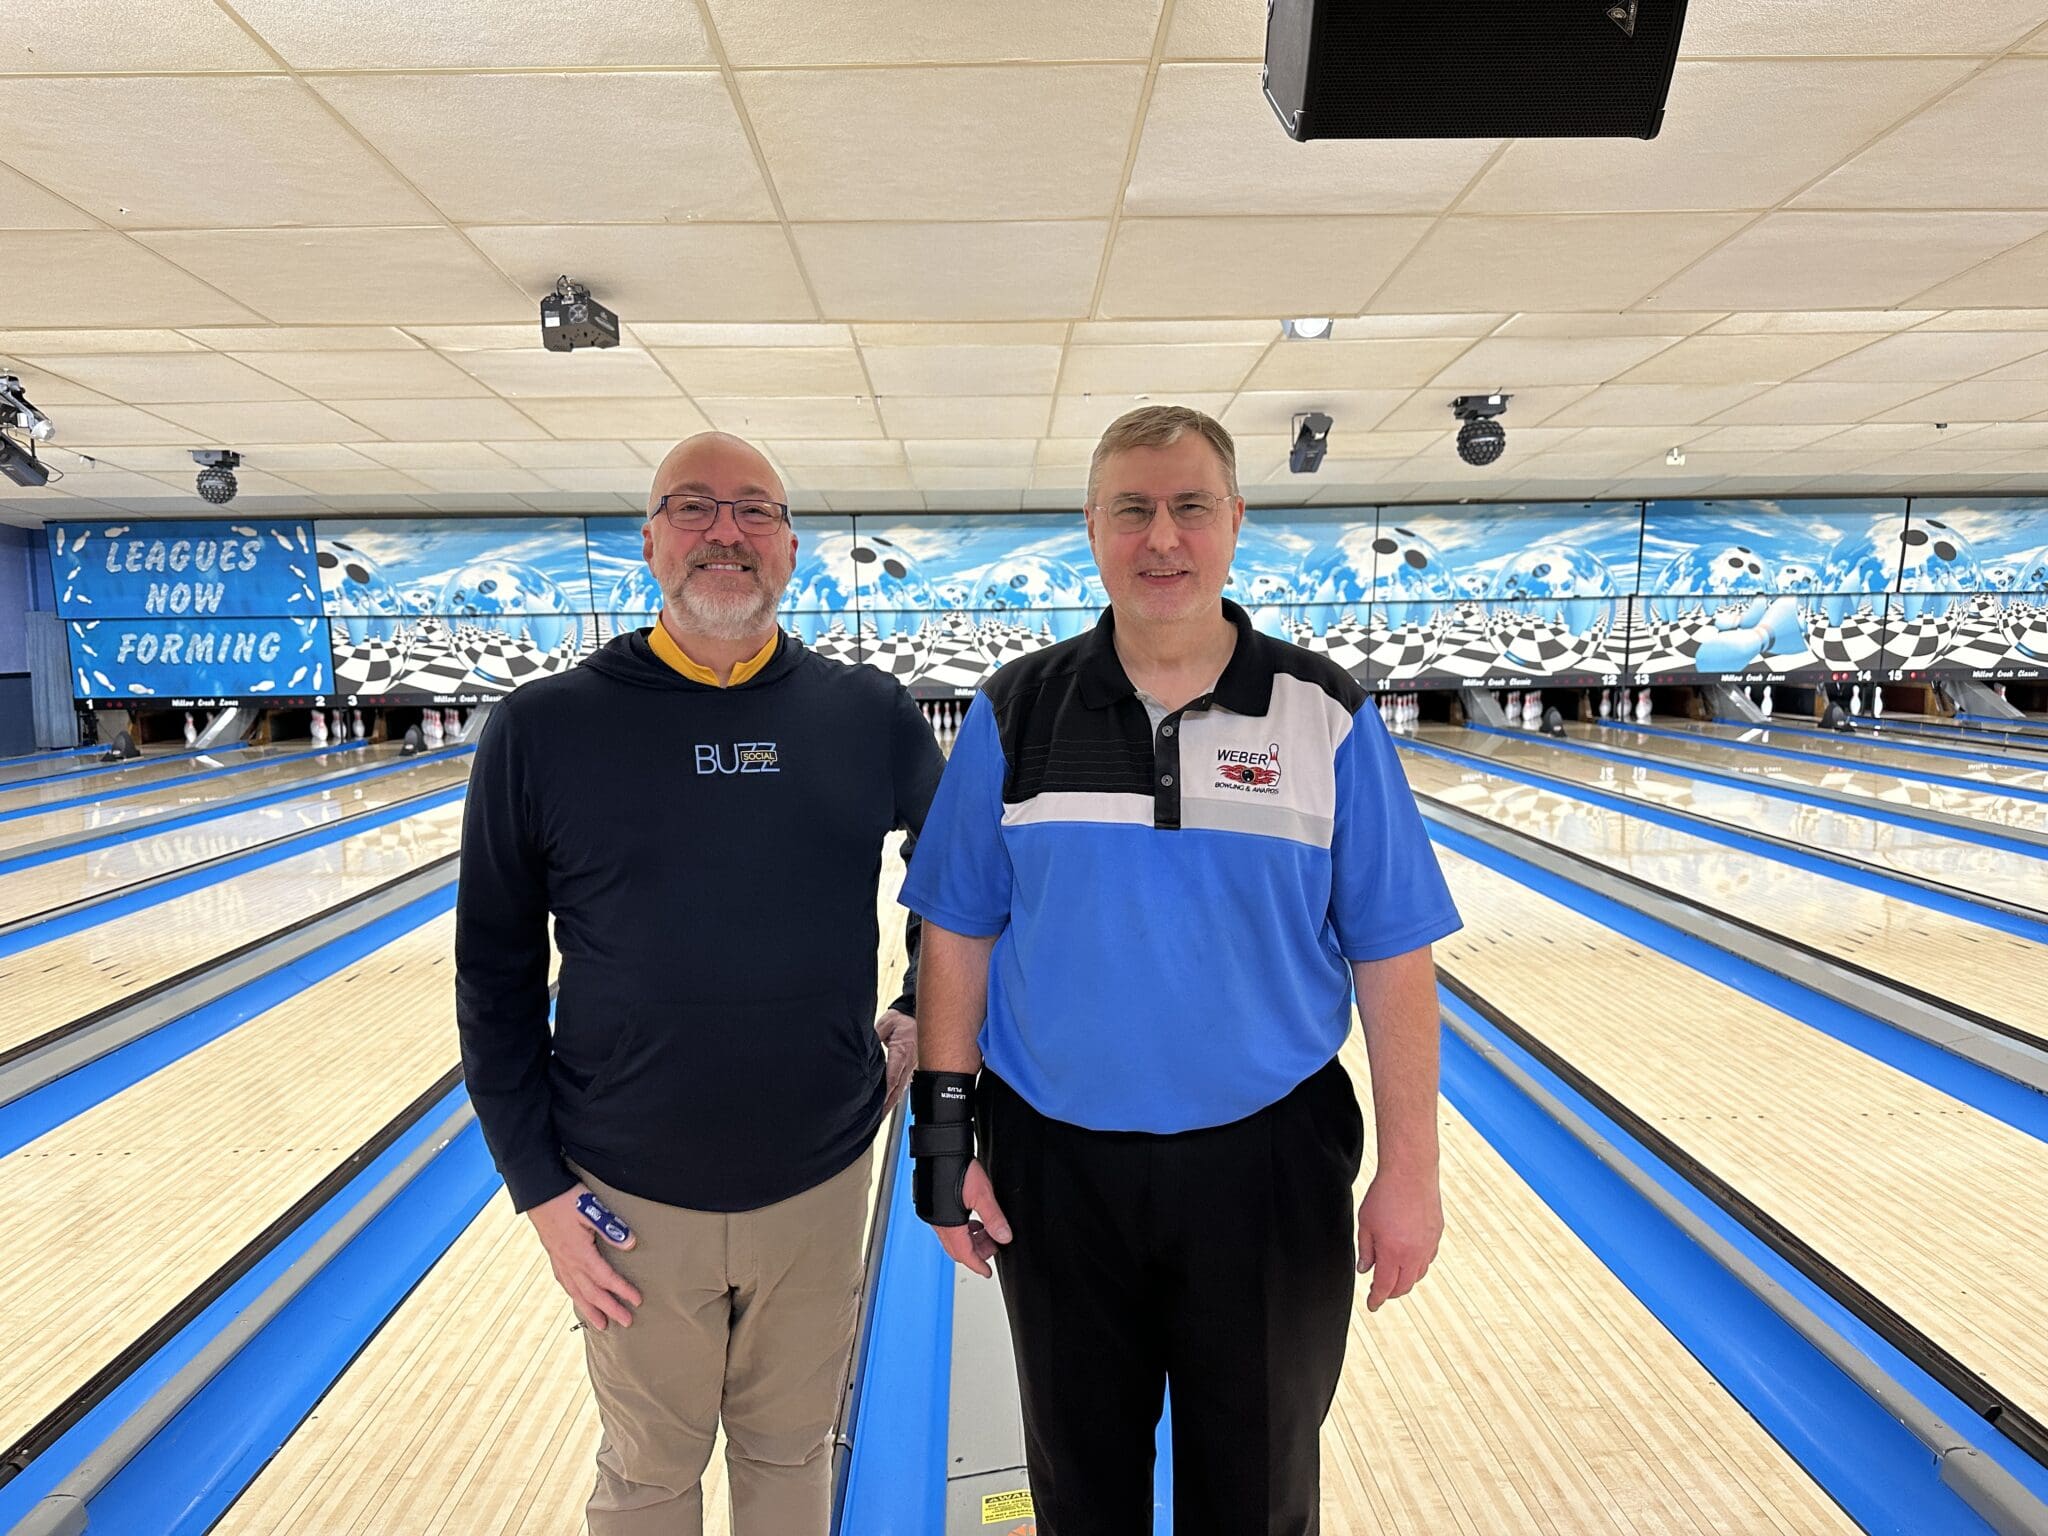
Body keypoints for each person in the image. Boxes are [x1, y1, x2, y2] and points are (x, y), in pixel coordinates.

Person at [900, 405, 1461, 1534]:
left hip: (1266, 1166)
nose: (1162, 537)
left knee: (1255, 1498)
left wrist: (1410, 1174)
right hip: (1056, 1167)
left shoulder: (1325, 715)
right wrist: (945, 1144)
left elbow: (1392, 957)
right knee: (1077, 1494)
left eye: (1189, 507)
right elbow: (955, 931)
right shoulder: (1015, 709)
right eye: (1132, 510)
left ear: (1234, 522)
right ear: (1093, 531)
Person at [455, 431, 943, 1535]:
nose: (725, 532)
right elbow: (491, 975)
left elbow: (960, 889)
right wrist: (538, 1192)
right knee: (645, 1476)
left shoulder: (867, 715)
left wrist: (917, 1012)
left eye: (753, 511)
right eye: (693, 507)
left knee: (791, 1457)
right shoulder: (542, 727)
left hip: (818, 1182)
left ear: (789, 546)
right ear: (649, 540)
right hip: (624, 1195)